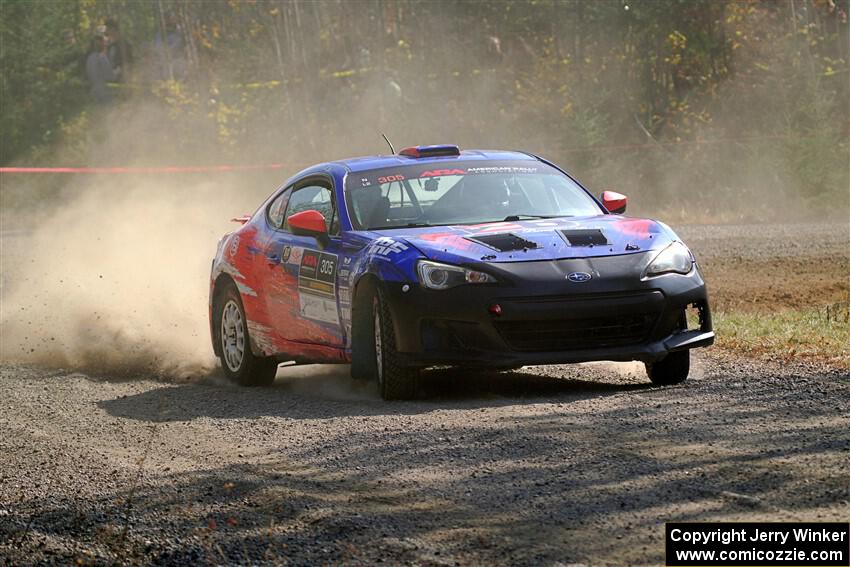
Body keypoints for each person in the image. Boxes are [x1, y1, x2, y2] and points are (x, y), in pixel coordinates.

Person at [85, 32, 115, 104]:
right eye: (104, 43)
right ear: (102, 44)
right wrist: (117, 71)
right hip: (104, 92)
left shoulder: (89, 58)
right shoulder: (102, 57)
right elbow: (110, 76)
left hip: (93, 92)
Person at [105, 18, 133, 82]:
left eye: (108, 29)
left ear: (113, 29)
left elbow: (128, 63)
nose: (106, 32)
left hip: (122, 79)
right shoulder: (109, 46)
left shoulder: (125, 44)